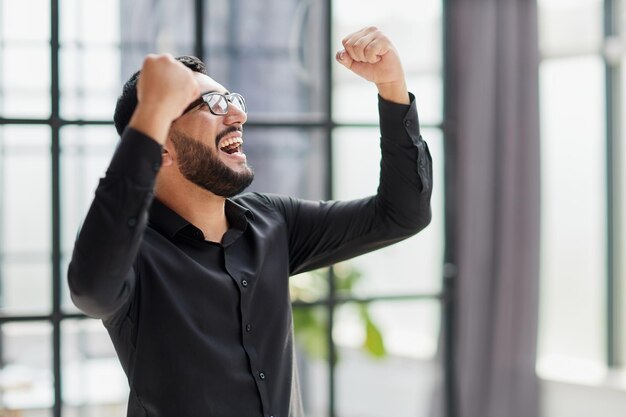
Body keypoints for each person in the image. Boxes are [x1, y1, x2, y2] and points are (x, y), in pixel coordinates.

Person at [68, 26, 432, 417]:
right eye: (213, 104)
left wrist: (392, 87)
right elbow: (91, 289)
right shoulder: (133, 254)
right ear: (163, 146)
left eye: (232, 100)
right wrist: (151, 112)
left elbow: (401, 214)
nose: (239, 114)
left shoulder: (274, 220)